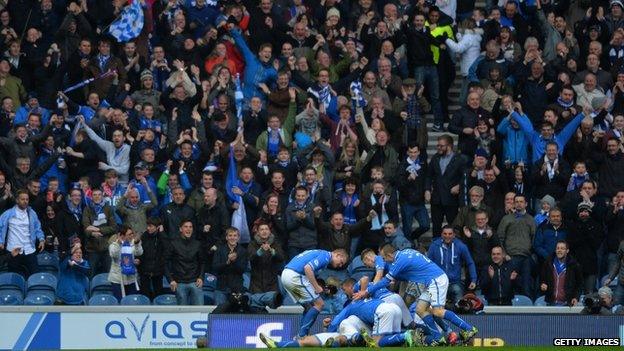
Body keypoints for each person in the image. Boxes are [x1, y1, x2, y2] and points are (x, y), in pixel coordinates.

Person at [353, 244, 478, 344]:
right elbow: (403, 277)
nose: (385, 261)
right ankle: (437, 336)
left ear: (389, 255)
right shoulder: (406, 252)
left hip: (436, 280)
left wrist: (367, 291)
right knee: (420, 309)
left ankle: (469, 329)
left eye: (385, 259)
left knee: (437, 311)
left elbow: (385, 279)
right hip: (428, 282)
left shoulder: (394, 260)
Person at [281, 249, 348, 338]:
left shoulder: (318, 252)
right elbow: (307, 268)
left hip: (286, 274)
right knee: (319, 304)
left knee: (309, 306)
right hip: (295, 275)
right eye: (341, 262)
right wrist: (316, 287)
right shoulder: (326, 256)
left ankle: (303, 334)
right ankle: (302, 335)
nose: (340, 265)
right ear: (338, 255)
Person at [427, 226, 478, 304]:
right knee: (435, 307)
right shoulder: (434, 246)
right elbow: (427, 264)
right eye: (445, 234)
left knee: (460, 303)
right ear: (441, 234)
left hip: (455, 283)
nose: (447, 236)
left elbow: (470, 263)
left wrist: (473, 279)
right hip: (438, 283)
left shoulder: (461, 246)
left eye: (450, 234)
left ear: (454, 235)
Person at [0, 189, 45, 277]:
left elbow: (37, 228)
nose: (25, 201)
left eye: (27, 199)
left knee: (35, 277)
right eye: (22, 199)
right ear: (17, 200)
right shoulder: (8, 214)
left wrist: (41, 239)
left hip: (29, 249)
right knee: (14, 278)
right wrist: (0, 241)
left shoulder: (32, 213)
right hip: (13, 250)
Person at [164, 219, 205, 305]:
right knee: (182, 313)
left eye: (190, 227)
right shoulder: (173, 244)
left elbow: (202, 262)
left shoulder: (197, 244)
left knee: (200, 311)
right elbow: (165, 263)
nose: (188, 229)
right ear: (180, 229)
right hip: (179, 282)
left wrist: (201, 277)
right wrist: (171, 280)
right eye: (185, 227)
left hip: (195, 282)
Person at [539, 240, 582, 306]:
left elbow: (579, 284)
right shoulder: (548, 263)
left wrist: (576, 297)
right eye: (558, 248)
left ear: (567, 251)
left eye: (562, 248)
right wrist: (543, 284)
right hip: (550, 303)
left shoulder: (574, 265)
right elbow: (542, 279)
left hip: (567, 304)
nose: (559, 250)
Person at [108, 225, 143, 301]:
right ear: (122, 235)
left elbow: (139, 253)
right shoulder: (114, 245)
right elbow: (113, 254)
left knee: (132, 302)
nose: (132, 236)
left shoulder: (133, 242)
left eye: (132, 233)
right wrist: (118, 244)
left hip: (131, 278)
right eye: (129, 234)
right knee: (120, 303)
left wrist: (137, 244)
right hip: (118, 279)